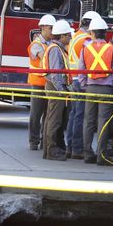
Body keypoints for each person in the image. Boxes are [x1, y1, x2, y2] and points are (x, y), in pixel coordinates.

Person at [79, 16, 113, 165]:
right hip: (107, 89)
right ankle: (100, 156)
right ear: (105, 33)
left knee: (88, 121)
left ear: (92, 33)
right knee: (103, 122)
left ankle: (87, 154)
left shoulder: (85, 49)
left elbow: (81, 70)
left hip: (90, 88)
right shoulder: (112, 49)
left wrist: (84, 86)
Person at [65, 11, 101, 158]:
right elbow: (92, 58)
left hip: (74, 79)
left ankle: (70, 146)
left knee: (74, 114)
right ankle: (77, 148)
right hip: (82, 81)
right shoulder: (86, 39)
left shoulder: (75, 37)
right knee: (81, 115)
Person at [41, 20, 74, 161]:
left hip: (55, 87)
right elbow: (55, 73)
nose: (70, 38)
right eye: (68, 35)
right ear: (61, 36)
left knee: (53, 118)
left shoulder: (57, 48)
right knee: (54, 120)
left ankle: (52, 148)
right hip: (55, 87)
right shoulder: (55, 49)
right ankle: (51, 150)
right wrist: (62, 90)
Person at [27, 14, 55, 150]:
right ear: (43, 28)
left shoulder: (51, 44)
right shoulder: (36, 45)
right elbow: (45, 59)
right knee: (36, 114)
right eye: (51, 28)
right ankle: (33, 141)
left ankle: (44, 140)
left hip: (49, 83)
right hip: (38, 83)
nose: (52, 31)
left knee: (48, 114)